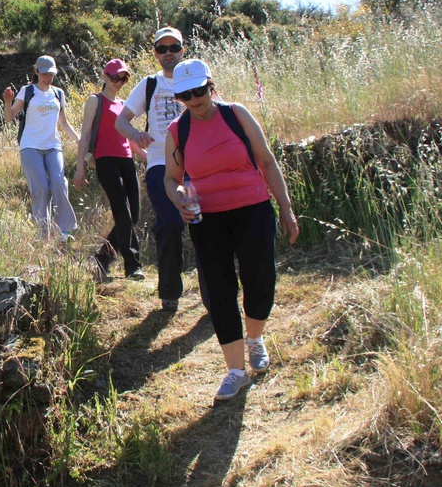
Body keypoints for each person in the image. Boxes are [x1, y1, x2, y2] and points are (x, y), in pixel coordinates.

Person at [163, 58, 299, 401]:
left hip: (253, 209)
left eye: (199, 91)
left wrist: (285, 208)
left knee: (260, 280)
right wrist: (179, 198)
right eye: (185, 96)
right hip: (207, 220)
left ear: (211, 86)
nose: (194, 100)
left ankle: (255, 338)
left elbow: (266, 161)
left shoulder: (236, 115)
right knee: (220, 292)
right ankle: (235, 371)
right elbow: (171, 178)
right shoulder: (178, 131)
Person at [114, 26, 208, 312]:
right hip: (160, 165)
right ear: (155, 53)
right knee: (170, 223)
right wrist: (136, 135)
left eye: (174, 47)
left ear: (182, 50)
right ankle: (170, 292)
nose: (169, 53)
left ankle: (214, 295)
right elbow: (121, 121)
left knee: (205, 227)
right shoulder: (149, 84)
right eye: (163, 48)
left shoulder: (195, 79)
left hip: (198, 166)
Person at [73, 58, 146, 282]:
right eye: (115, 77)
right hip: (105, 160)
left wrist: (149, 157)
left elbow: (130, 139)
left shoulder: (124, 104)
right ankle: (132, 265)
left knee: (134, 214)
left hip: (126, 160)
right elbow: (85, 135)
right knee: (122, 210)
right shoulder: (95, 100)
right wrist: (80, 168)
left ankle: (101, 258)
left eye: (124, 78)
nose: (119, 82)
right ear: (105, 76)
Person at [3, 55, 80, 241]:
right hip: (30, 146)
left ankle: (64, 231)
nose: (48, 77)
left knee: (59, 183)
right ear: (36, 71)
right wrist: (7, 101)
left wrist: (79, 140)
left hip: (53, 145)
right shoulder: (27, 91)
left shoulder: (58, 93)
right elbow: (9, 117)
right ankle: (42, 233)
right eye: (45, 74)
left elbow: (63, 122)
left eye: (51, 74)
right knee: (41, 188)